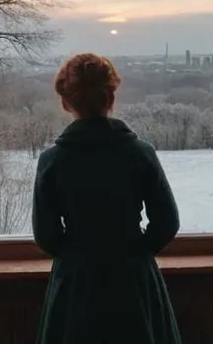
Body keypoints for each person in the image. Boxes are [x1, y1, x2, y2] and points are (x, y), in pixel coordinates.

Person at [32, 53, 182, 344]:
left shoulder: (53, 161)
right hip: (133, 282)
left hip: (76, 287)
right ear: (111, 97)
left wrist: (78, 254)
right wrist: (136, 251)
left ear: (65, 102)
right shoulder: (140, 153)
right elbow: (167, 222)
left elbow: (46, 236)